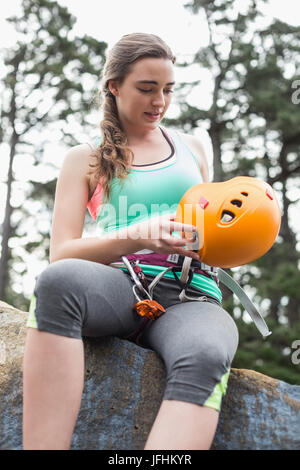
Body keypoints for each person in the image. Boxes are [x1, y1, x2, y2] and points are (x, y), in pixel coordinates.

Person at [23, 32, 239, 450]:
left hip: (192, 297)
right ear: (114, 86)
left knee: (209, 353)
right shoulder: (83, 158)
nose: (159, 101)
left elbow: (215, 232)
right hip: (121, 286)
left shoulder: (192, 148)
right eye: (146, 88)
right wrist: (136, 235)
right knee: (57, 284)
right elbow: (61, 254)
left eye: (168, 89)